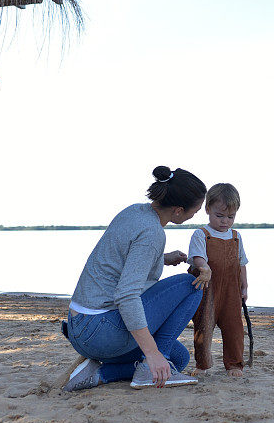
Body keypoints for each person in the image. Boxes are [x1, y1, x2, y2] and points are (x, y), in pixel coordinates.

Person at [62, 166, 208, 391]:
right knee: (191, 286)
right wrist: (152, 353)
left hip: (78, 328)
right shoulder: (152, 233)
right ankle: (148, 367)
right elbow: (126, 296)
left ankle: (100, 373)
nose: (194, 215)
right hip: (100, 329)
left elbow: (122, 258)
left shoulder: (134, 212)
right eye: (195, 211)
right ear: (178, 210)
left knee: (178, 359)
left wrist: (162, 258)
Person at [188, 183, 249, 377]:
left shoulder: (236, 237)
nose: (225, 221)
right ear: (208, 210)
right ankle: (203, 364)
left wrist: (244, 286)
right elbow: (197, 258)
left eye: (230, 217)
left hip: (231, 291)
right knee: (203, 327)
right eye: (219, 216)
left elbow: (241, 263)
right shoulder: (201, 234)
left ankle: (234, 364)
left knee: (234, 328)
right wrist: (203, 266)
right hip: (207, 289)